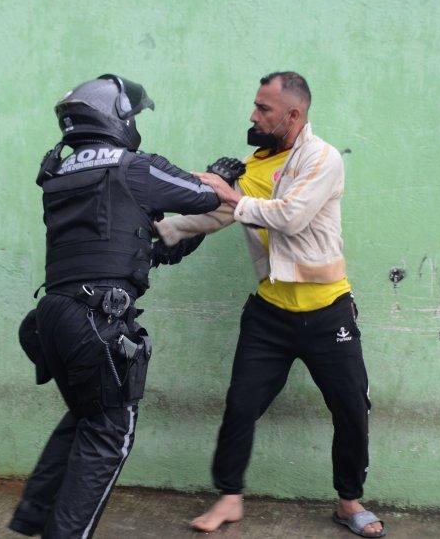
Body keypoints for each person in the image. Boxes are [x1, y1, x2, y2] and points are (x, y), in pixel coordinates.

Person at [157, 72, 383, 538]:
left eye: (264, 109)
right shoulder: (251, 167)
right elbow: (218, 214)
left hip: (328, 311)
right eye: (256, 106)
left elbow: (291, 217)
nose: (253, 115)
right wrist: (158, 232)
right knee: (241, 404)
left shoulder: (321, 159)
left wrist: (231, 195)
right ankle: (229, 498)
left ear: (293, 115)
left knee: (350, 409)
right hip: (269, 315)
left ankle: (349, 501)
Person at [9, 75, 225, 537]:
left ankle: (33, 518)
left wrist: (183, 237)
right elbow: (204, 196)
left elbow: (140, 247)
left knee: (87, 417)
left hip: (54, 316)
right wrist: (221, 177)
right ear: (118, 118)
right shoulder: (133, 167)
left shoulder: (62, 172)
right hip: (96, 320)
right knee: (110, 433)